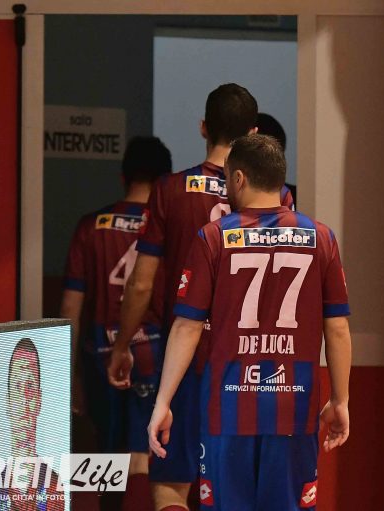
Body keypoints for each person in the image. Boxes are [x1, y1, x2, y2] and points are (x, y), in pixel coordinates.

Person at [107, 85, 293, 511]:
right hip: (251, 364)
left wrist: (122, 345)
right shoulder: (279, 197)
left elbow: (140, 283)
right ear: (253, 133)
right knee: (236, 491)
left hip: (186, 361)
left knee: (171, 487)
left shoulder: (169, 190)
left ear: (204, 127)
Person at [147, 134, 352, 511]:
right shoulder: (321, 238)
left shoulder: (213, 237)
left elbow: (187, 326)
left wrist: (163, 401)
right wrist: (340, 400)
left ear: (238, 178)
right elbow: (337, 328)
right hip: (294, 407)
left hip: (227, 409)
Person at [59, 136, 172, 511]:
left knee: (105, 452)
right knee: (147, 451)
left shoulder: (90, 227)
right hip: (154, 353)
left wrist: (69, 374)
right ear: (164, 181)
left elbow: (70, 308)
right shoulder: (168, 229)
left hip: (100, 355)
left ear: (123, 176)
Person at [0, 338, 65, 511]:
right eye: (17, 386)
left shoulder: (55, 488)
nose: (24, 399)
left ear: (39, 400)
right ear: (7, 402)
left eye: (30, 386)